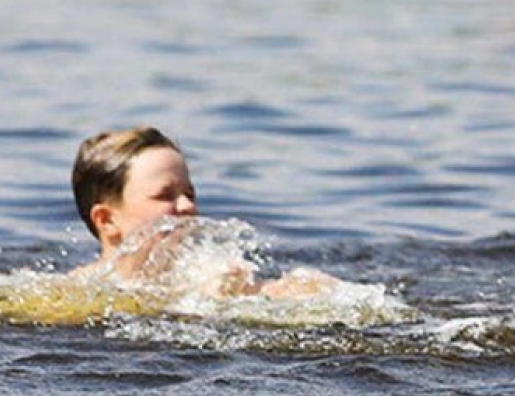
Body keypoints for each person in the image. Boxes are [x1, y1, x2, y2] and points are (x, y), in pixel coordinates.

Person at [70, 126, 334, 298]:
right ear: (106, 220)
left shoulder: (214, 277)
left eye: (190, 194)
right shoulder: (74, 295)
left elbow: (287, 294)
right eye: (165, 196)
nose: (187, 207)